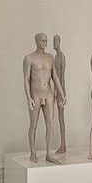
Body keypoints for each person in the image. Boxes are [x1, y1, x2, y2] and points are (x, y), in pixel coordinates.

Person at [23, 33, 66, 164]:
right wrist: (28, 97)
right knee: (34, 124)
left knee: (50, 124)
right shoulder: (29, 58)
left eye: (46, 40)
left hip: (48, 93)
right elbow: (26, 79)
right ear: (36, 41)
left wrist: (61, 93)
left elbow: (55, 77)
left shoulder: (50, 57)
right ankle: (33, 153)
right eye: (42, 40)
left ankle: (49, 153)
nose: (45, 42)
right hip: (36, 94)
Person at [53, 34, 67, 155]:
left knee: (61, 118)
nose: (54, 43)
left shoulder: (61, 56)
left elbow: (61, 77)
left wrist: (60, 92)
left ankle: (63, 145)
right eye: (53, 41)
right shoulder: (55, 57)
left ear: (59, 42)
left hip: (60, 90)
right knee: (58, 118)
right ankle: (62, 145)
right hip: (56, 90)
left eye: (56, 41)